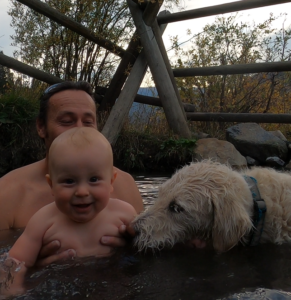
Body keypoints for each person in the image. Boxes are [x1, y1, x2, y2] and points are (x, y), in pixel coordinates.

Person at [0, 81, 143, 266]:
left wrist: (131, 248)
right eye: (66, 121)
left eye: (88, 122)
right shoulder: (7, 192)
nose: (79, 128)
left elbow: (152, 248)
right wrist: (31, 267)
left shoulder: (125, 184)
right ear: (41, 127)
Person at [8, 127, 137, 267]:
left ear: (111, 181)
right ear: (51, 185)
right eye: (69, 181)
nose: (82, 192)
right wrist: (15, 288)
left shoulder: (124, 214)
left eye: (94, 179)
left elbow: (149, 250)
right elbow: (15, 263)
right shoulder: (42, 221)